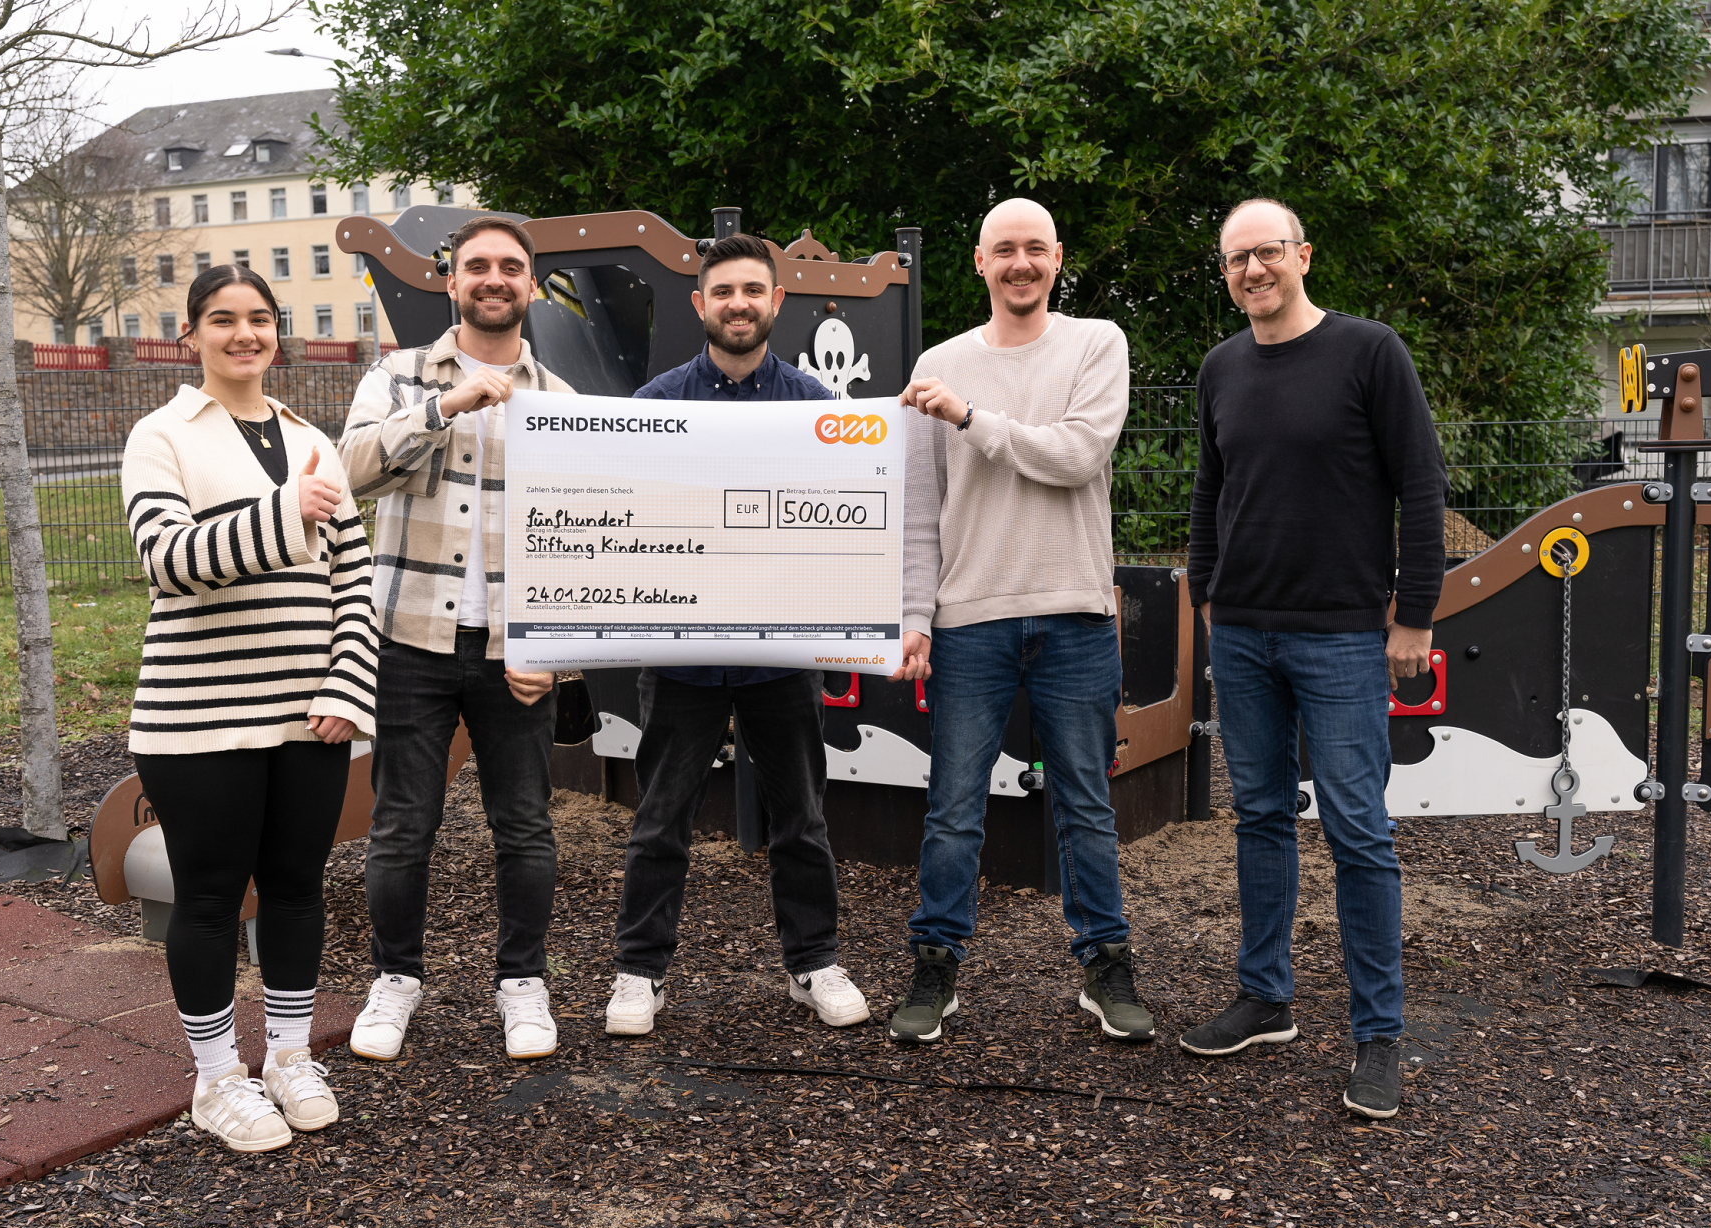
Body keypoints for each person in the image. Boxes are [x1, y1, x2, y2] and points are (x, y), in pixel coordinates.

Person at [1182, 197, 1446, 1120]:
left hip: (1342, 636)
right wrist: (1203, 598)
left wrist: (1413, 614)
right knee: (1258, 817)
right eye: (1234, 260)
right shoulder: (1221, 368)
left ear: (1303, 254)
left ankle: (1379, 1037)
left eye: (1265, 253)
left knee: (1358, 833)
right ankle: (1266, 998)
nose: (1251, 271)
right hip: (1244, 633)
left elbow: (1421, 483)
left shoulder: (1370, 352)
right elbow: (1211, 488)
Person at [886, 198, 1156, 1045]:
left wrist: (971, 416)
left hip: (1074, 611)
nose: (1021, 264)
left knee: (1085, 804)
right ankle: (936, 964)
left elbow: (1079, 455)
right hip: (970, 619)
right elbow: (921, 511)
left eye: (1035, 249)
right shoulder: (939, 360)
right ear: (979, 263)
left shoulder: (1095, 343)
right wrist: (914, 616)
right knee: (953, 805)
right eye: (1004, 250)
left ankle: (1105, 963)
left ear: (1057, 257)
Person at [121, 264, 376, 1152]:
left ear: (278, 334)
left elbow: (352, 578)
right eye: (222, 320)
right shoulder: (162, 436)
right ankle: (217, 1077)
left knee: (301, 889)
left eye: (259, 320)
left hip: (309, 714)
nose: (243, 335)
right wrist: (281, 511)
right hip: (199, 719)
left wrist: (348, 685)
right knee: (210, 897)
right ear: (191, 335)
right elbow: (166, 557)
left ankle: (291, 1055)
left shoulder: (312, 438)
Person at [601, 233, 871, 1037]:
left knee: (803, 820)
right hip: (681, 660)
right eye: (724, 292)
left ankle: (814, 961)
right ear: (700, 305)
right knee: (659, 821)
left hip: (778, 660)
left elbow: (853, 524)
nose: (739, 304)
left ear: (776, 301)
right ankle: (639, 972)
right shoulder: (652, 409)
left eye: (754, 290)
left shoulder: (821, 411)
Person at [338, 215, 575, 1063]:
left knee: (526, 825)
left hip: (518, 650)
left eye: (512, 267)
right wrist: (445, 406)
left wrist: (557, 651)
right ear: (451, 281)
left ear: (532, 286)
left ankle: (523, 985)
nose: (494, 279)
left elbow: (587, 544)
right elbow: (350, 471)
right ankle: (395, 981)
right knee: (404, 822)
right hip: (408, 636)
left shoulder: (561, 404)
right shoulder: (399, 376)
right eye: (478, 266)